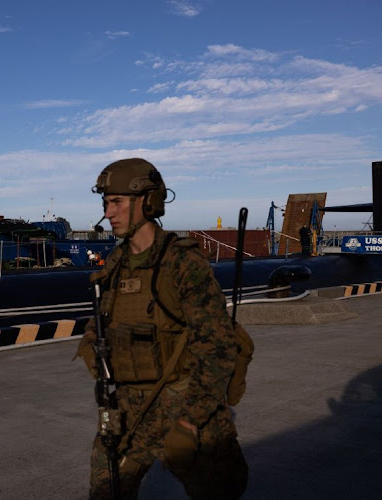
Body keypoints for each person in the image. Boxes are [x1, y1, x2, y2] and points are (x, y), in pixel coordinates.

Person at [76, 158, 248, 499]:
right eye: (106, 203)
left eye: (117, 202)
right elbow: (101, 327)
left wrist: (190, 421)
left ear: (148, 202)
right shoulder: (114, 264)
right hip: (128, 410)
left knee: (218, 490)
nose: (108, 213)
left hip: (180, 403)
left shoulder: (182, 264)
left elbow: (218, 349)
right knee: (106, 490)